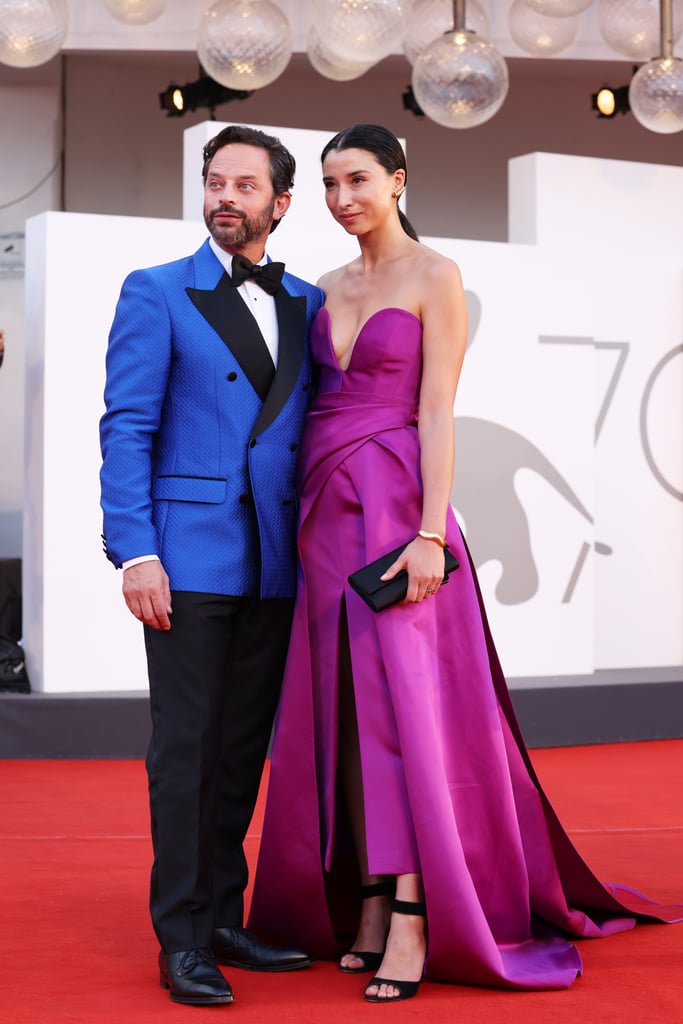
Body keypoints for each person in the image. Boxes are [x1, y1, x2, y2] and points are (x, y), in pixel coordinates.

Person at [247, 124, 680, 1003]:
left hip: (399, 505)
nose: (342, 199)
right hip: (324, 510)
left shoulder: (436, 277)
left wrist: (430, 535)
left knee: (409, 712)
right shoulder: (320, 288)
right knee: (339, 711)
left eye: (358, 180)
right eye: (329, 184)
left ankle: (412, 910)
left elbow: (437, 411)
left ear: (398, 180)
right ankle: (367, 898)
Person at [100, 124, 324, 1006]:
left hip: (276, 562)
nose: (225, 196)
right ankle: (182, 938)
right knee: (186, 752)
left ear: (280, 203)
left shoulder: (306, 300)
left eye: (243, 184)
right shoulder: (156, 291)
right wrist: (136, 550)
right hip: (185, 559)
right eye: (214, 181)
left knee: (240, 751)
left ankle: (224, 917)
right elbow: (126, 426)